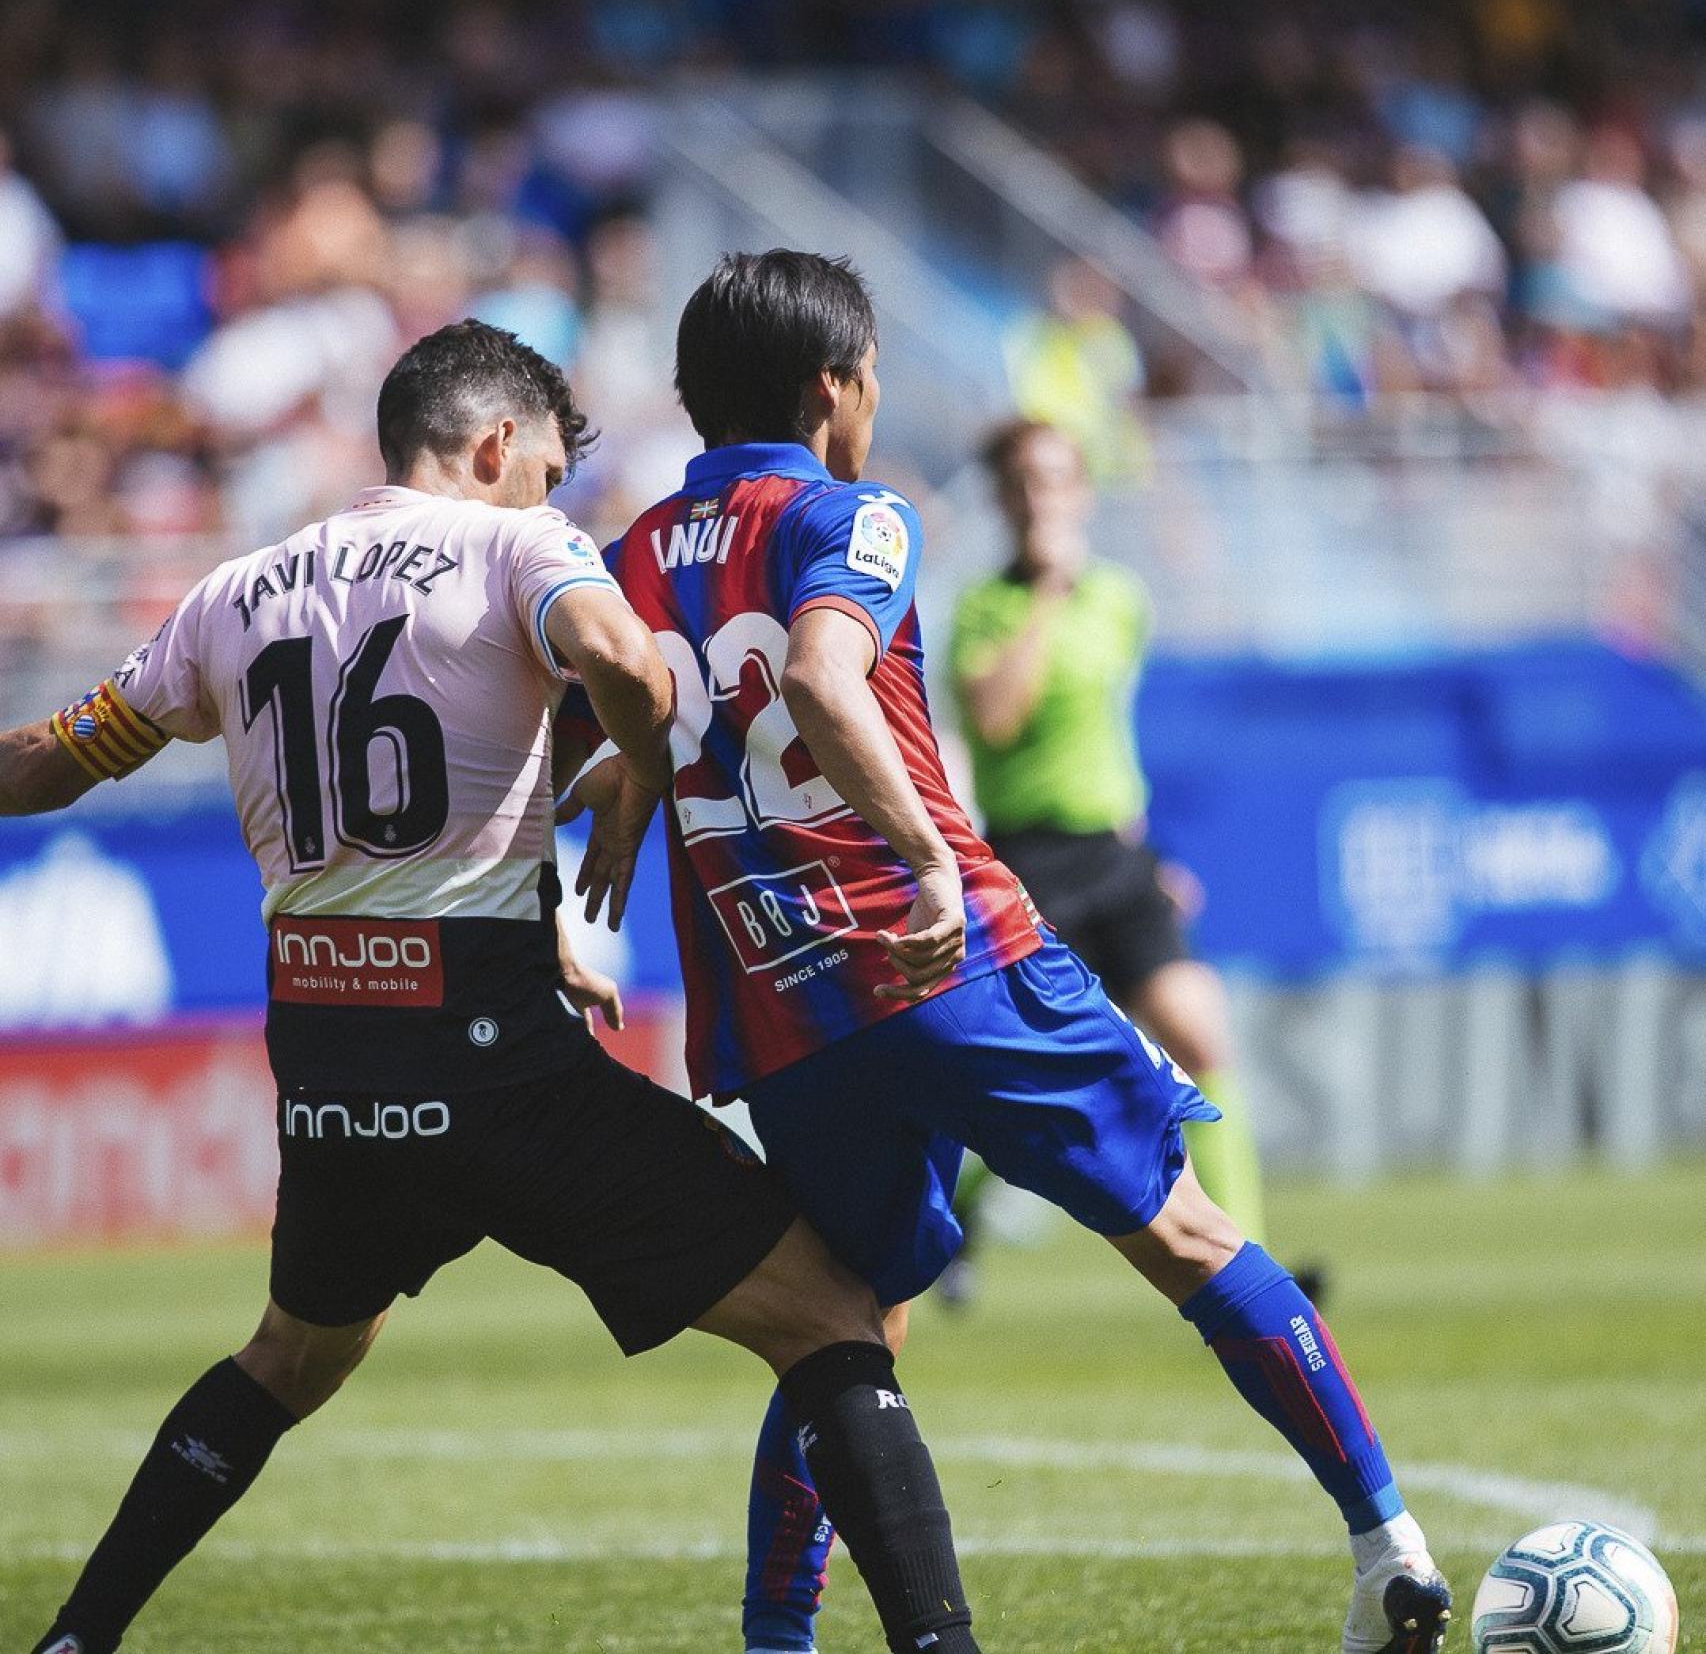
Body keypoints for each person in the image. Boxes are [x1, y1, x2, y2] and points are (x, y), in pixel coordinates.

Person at [0, 321, 981, 1654]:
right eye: (544, 475)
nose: (551, 502)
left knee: (288, 1360)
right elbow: (629, 665)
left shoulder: (233, 592)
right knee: (830, 1319)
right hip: (497, 1064)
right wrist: (633, 779)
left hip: (332, 1067)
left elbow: (46, 766)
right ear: (498, 445)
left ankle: (72, 1642)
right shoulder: (520, 548)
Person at [563, 251, 1453, 1654]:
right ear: (829, 390)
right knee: (1181, 1228)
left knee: (838, 1330)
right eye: (865, 386)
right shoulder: (849, 514)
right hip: (944, 959)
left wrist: (605, 810)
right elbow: (813, 674)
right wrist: (922, 855)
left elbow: (604, 733)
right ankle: (1385, 1547)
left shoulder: (620, 562)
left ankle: (776, 1643)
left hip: (780, 1005)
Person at [949, 417, 1275, 1262]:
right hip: (1027, 859)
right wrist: (1047, 599)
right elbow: (996, 717)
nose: (1039, 499)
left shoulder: (1121, 601)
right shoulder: (984, 610)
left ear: (1082, 492)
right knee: (1031, 1079)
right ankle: (959, 1218)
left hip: (1116, 852)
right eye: (1022, 483)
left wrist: (1152, 856)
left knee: (1202, 1040)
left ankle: (1254, 1263)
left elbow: (1103, 737)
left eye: (1055, 480)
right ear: (1000, 499)